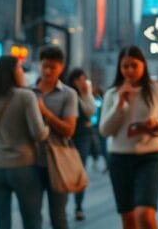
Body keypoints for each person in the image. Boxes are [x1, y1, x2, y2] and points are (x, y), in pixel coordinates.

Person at [99, 46, 158, 229]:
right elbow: (105, 130)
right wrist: (120, 105)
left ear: (143, 65)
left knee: (145, 215)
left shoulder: (157, 90)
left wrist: (157, 125)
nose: (130, 70)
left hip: (150, 157)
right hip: (120, 158)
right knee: (129, 219)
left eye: (134, 65)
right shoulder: (112, 94)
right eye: (125, 66)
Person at [0, 55, 50, 229]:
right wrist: (48, 127)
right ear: (13, 71)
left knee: (1, 223)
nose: (22, 71)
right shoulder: (25, 96)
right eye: (20, 67)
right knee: (32, 221)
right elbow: (39, 134)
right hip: (23, 166)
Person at [33, 46, 78, 229]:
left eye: (53, 67)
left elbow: (69, 130)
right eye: (45, 66)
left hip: (57, 161)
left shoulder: (68, 94)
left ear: (61, 67)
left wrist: (45, 113)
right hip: (30, 161)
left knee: (58, 216)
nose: (48, 70)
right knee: (32, 215)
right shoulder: (28, 92)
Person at [66, 68, 96, 220]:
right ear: (74, 80)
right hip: (68, 136)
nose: (83, 82)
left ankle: (78, 206)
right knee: (64, 170)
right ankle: (63, 205)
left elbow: (91, 111)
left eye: (85, 79)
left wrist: (86, 93)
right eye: (81, 79)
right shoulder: (67, 93)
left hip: (83, 137)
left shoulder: (84, 94)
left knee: (80, 171)